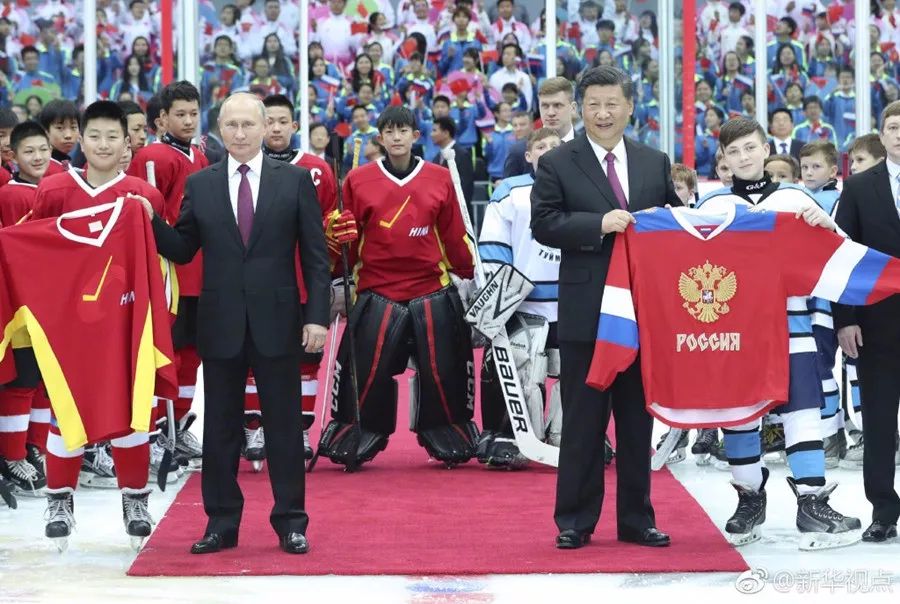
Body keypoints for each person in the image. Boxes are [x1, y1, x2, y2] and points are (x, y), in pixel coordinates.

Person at [144, 92, 331, 555]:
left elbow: (315, 258)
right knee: (221, 429)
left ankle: (291, 522)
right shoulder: (201, 184)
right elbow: (184, 247)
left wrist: (318, 318)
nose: (241, 134)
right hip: (221, 322)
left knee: (285, 427)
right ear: (220, 130)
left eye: (250, 124)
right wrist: (146, 219)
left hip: (279, 321)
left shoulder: (293, 182)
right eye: (232, 125)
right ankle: (220, 523)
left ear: (266, 126)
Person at [531, 66, 680, 549]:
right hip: (586, 314)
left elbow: (677, 224)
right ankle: (574, 521)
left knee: (639, 423)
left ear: (630, 106)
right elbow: (545, 223)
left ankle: (637, 520)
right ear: (579, 107)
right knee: (583, 422)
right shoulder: (559, 161)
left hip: (643, 317)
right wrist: (598, 223)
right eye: (592, 104)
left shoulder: (654, 162)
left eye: (612, 103)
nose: (602, 112)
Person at [697, 117, 861, 550]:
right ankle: (749, 498)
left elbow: (838, 253)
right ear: (724, 161)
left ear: (766, 148)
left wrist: (824, 225)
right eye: (734, 152)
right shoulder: (710, 206)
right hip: (736, 330)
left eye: (750, 147)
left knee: (802, 409)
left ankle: (812, 502)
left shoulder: (795, 198)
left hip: (793, 323)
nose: (744, 157)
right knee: (741, 412)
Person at [30, 100, 168, 549]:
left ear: (127, 143)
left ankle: (134, 499)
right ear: (80, 141)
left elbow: (160, 262)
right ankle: (59, 499)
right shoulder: (53, 191)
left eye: (114, 137)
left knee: (132, 414)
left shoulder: (143, 197)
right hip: (69, 325)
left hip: (126, 321)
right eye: (95, 136)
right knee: (64, 409)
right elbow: (34, 249)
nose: (104, 144)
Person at [317, 105, 478, 468]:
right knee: (366, 370)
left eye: (402, 131)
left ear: (415, 136)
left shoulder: (439, 177)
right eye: (389, 131)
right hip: (377, 286)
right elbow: (347, 242)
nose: (396, 137)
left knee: (444, 367)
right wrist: (336, 243)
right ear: (380, 137)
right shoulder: (358, 180)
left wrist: (467, 271)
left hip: (430, 285)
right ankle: (355, 429)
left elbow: (453, 234)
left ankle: (448, 427)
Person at [240, 93, 339, 462]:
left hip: (302, 281)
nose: (277, 128)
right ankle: (255, 430)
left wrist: (340, 233)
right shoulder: (244, 167)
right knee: (254, 357)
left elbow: (328, 222)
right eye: (271, 122)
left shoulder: (316, 169)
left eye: (284, 121)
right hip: (259, 284)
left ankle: (298, 431)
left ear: (295, 126)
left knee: (305, 359)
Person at [128, 82, 210, 474]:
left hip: (200, 270)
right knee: (165, 354)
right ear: (161, 118)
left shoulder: (200, 154)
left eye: (194, 113)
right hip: (168, 272)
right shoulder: (153, 155)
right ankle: (156, 431)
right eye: (180, 114)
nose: (189, 120)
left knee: (191, 354)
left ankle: (177, 425)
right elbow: (142, 216)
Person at [833, 100, 900, 543]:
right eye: (894, 127)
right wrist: (845, 319)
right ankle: (883, 510)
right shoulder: (858, 189)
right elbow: (841, 258)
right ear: (882, 134)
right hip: (877, 325)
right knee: (878, 420)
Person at [477, 127, 562, 469]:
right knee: (512, 366)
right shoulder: (510, 191)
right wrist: (505, 297)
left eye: (556, 145)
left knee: (576, 372)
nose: (549, 150)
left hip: (571, 300)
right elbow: (495, 247)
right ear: (528, 156)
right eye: (541, 146)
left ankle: (572, 434)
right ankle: (503, 433)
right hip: (524, 302)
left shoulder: (583, 187)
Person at [0, 121, 52, 499]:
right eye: (28, 151)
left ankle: (34, 447)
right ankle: (12, 453)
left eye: (42, 150)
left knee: (45, 381)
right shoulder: (10, 195)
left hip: (52, 302)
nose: (37, 157)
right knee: (22, 379)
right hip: (21, 303)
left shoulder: (54, 189)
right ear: (12, 156)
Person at [504, 77, 577, 178]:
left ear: (573, 108)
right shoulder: (518, 152)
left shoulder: (590, 149)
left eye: (557, 105)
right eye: (545, 106)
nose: (551, 113)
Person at [430, 116, 474, 208]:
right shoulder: (436, 158)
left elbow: (466, 186)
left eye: (434, 130)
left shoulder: (462, 154)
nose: (431, 134)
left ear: (446, 133)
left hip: (458, 211)